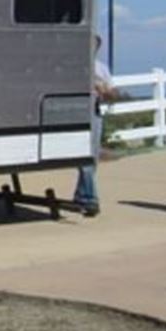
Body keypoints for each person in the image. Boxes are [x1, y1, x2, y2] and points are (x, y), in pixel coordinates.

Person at [74, 35, 115, 217]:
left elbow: (113, 93)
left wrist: (106, 92)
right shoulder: (75, 66)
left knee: (93, 157)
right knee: (86, 157)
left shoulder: (101, 68)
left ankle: (81, 194)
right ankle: (90, 198)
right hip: (80, 110)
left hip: (95, 110)